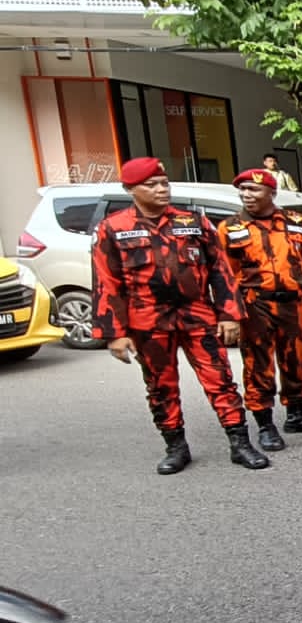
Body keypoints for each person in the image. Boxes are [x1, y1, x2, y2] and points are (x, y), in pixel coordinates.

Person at [91, 157, 269, 473]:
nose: (161, 189)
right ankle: (175, 447)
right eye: (151, 185)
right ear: (131, 189)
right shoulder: (113, 229)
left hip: (197, 314)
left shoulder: (193, 222)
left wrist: (229, 314)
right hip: (147, 321)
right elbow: (106, 282)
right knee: (161, 386)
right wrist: (114, 333)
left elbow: (219, 270)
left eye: (164, 183)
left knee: (220, 380)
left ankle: (240, 444)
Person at [220, 167, 302, 451]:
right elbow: (224, 276)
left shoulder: (296, 222)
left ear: (271, 192)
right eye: (243, 190)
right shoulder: (230, 228)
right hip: (255, 304)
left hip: (293, 302)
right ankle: (265, 425)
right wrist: (228, 314)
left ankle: (296, 415)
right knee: (259, 366)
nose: (247, 195)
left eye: (254, 190)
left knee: (295, 359)